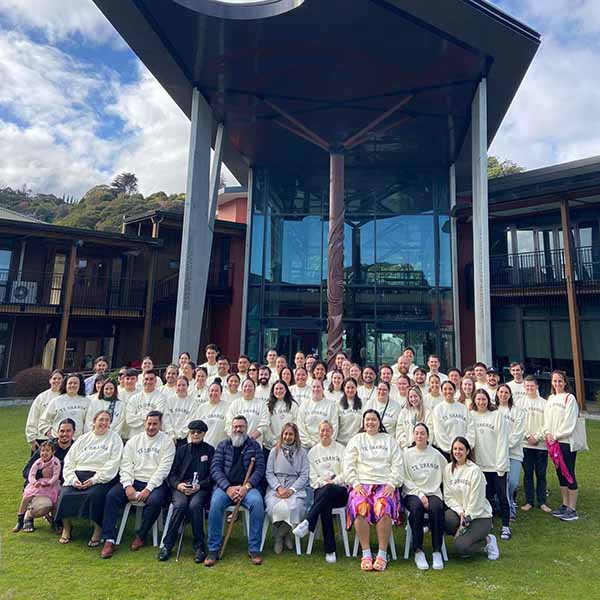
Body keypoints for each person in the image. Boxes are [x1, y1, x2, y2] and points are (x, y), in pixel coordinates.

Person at [100, 411, 175, 558]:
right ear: (145, 423)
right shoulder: (134, 441)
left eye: (155, 424)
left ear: (160, 424)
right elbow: (126, 464)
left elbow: (163, 470)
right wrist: (128, 485)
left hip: (155, 483)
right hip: (133, 481)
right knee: (111, 496)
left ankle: (141, 535)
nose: (151, 427)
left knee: (155, 501)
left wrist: (148, 488)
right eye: (149, 423)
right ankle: (109, 539)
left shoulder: (167, 442)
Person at [344, 409, 403, 572]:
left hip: (384, 484)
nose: (370, 422)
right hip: (361, 484)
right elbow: (348, 465)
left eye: (374, 420)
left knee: (383, 506)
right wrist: (355, 484)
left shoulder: (389, 440)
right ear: (363, 422)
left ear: (379, 422)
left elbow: (397, 465)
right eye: (367, 420)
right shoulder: (356, 440)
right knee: (359, 505)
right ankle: (366, 553)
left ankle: (382, 554)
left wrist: (392, 484)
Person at [205, 416, 266, 566]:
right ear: (231, 428)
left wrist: (247, 487)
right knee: (215, 504)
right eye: (236, 426)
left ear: (246, 428)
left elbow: (259, 469)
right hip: (225, 488)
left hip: (248, 488)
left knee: (257, 504)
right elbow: (215, 469)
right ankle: (213, 549)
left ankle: (254, 549)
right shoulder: (223, 446)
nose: (238, 429)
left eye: (241, 427)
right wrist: (228, 487)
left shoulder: (254, 446)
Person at [56, 410, 123, 545]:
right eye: (101, 420)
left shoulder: (115, 439)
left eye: (107, 420)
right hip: (78, 474)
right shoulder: (83, 439)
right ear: (94, 421)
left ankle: (98, 529)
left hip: (100, 477)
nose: (104, 423)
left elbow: (113, 463)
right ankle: (67, 528)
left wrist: (94, 480)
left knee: (94, 495)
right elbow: (69, 461)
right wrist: (73, 479)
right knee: (64, 494)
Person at [159, 419, 214, 563]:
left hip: (200, 488)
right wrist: (178, 486)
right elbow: (172, 474)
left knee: (195, 506)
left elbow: (212, 476)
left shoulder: (210, 450)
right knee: (180, 505)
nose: (195, 434)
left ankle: (199, 547)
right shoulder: (181, 450)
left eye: (199, 432)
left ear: (204, 433)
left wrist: (200, 486)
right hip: (181, 487)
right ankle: (167, 545)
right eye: (193, 432)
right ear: (189, 433)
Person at [293, 420, 347, 563]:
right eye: (322, 430)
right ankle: (330, 551)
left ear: (332, 431)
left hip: (340, 491)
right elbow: (312, 479)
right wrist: (325, 483)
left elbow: (346, 473)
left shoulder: (341, 449)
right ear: (318, 432)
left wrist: (333, 482)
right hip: (321, 490)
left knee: (326, 493)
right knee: (325, 503)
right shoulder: (312, 452)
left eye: (327, 430)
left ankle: (308, 522)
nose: (325, 433)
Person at [443, 437, 499, 560]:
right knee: (446, 518)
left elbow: (476, 501)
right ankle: (465, 535)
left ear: (467, 451)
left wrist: (465, 520)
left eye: (461, 449)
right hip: (461, 513)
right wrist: (460, 512)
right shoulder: (448, 469)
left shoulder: (475, 471)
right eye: (455, 449)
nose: (458, 452)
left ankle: (488, 540)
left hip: (479, 516)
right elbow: (448, 496)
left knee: (461, 548)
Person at [402, 423, 447, 570]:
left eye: (422, 433)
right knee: (416, 509)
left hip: (433, 492)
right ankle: (418, 550)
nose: (419, 436)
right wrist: (420, 495)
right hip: (413, 493)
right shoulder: (407, 454)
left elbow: (447, 472)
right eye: (417, 433)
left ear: (428, 436)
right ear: (413, 436)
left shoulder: (436, 454)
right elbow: (405, 479)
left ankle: (436, 551)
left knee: (437, 508)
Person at [469, 389, 511, 540]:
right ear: (474, 401)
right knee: (486, 497)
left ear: (488, 400)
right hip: (480, 466)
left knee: (502, 496)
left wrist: (500, 465)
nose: (481, 402)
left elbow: (502, 441)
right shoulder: (471, 416)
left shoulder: (497, 415)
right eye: (478, 399)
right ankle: (489, 523)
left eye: (483, 399)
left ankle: (506, 526)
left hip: (496, 465)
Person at [21, 419, 75, 532]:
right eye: (62, 431)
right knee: (42, 507)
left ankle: (56, 518)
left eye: (68, 431)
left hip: (61, 486)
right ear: (57, 432)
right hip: (41, 488)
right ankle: (29, 514)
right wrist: (41, 473)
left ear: (74, 432)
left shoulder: (76, 448)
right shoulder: (47, 448)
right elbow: (25, 470)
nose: (64, 434)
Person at [265, 423, 309, 554]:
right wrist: (279, 488)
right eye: (285, 434)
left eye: (291, 434)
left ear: (295, 436)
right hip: (276, 487)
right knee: (273, 507)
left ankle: (279, 535)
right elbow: (269, 472)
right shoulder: (274, 451)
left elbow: (304, 474)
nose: (287, 437)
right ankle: (285, 534)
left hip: (295, 487)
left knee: (296, 508)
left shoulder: (302, 452)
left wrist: (292, 490)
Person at [544, 370, 579, 521]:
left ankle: (572, 508)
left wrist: (556, 435)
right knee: (560, 473)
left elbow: (569, 422)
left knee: (568, 472)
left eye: (560, 381)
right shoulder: (551, 398)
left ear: (565, 382)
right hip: (552, 442)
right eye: (554, 381)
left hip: (565, 442)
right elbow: (546, 419)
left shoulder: (569, 398)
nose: (557, 384)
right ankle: (565, 504)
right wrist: (547, 432)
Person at [13, 441, 61, 533]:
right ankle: (20, 520)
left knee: (55, 502)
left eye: (47, 451)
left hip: (51, 485)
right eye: (42, 451)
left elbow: (56, 475)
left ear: (53, 452)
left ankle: (55, 522)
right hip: (38, 483)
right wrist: (34, 482)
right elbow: (31, 474)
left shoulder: (55, 462)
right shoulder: (38, 462)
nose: (44, 453)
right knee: (26, 497)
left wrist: (49, 483)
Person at [519, 375, 550, 513]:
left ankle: (542, 501)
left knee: (541, 474)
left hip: (541, 445)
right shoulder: (519, 403)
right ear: (524, 387)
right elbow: (517, 422)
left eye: (532, 385)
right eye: (527, 386)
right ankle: (529, 501)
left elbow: (548, 423)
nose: (530, 388)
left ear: (537, 386)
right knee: (528, 474)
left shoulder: (544, 403)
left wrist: (537, 436)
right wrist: (527, 436)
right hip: (525, 445)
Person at [496, 384, 525, 521]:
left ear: (510, 394)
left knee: (512, 482)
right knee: (501, 483)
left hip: (514, 452)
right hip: (496, 453)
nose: (503, 394)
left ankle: (507, 504)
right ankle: (509, 509)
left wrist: (505, 445)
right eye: (501, 392)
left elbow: (518, 434)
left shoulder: (517, 411)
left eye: (506, 392)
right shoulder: (493, 410)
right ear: (497, 394)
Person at [432, 381, 475, 461]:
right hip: (446, 453)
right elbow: (439, 433)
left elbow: (470, 429)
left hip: (464, 453)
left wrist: (465, 447)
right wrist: (452, 449)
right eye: (445, 389)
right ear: (441, 391)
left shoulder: (463, 408)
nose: (448, 391)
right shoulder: (438, 409)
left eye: (450, 389)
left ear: (455, 391)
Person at [40, 373, 89, 440]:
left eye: (75, 383)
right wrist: (51, 436)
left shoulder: (86, 401)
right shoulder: (56, 401)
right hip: (58, 441)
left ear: (80, 385)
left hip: (78, 441)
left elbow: (89, 423)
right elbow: (43, 421)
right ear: (65, 385)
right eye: (70, 383)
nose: (72, 385)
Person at [25, 370, 63, 452]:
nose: (56, 381)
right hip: (41, 438)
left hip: (59, 438)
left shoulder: (65, 397)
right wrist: (32, 438)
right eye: (54, 378)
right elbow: (33, 417)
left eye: (59, 379)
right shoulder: (41, 397)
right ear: (50, 380)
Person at [225, 378, 269, 445]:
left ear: (254, 389)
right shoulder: (235, 404)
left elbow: (264, 425)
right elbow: (228, 424)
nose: (247, 388)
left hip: (255, 444)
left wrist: (250, 439)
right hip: (236, 444)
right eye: (245, 386)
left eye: (250, 386)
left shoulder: (262, 404)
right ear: (242, 389)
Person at [297, 378, 339, 449]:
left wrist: (325, 443)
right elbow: (300, 427)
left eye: (318, 387)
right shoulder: (304, 405)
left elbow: (334, 427)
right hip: (307, 446)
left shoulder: (331, 406)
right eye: (314, 387)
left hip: (326, 446)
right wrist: (311, 443)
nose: (316, 389)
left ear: (323, 389)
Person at [125, 370, 166, 438]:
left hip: (154, 437)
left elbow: (157, 417)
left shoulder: (161, 398)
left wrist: (139, 415)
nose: (148, 382)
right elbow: (129, 419)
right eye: (146, 379)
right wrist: (148, 415)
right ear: (142, 381)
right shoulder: (134, 398)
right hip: (135, 437)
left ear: (155, 381)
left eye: (151, 379)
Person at [264, 381, 299, 452]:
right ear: (273, 391)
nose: (279, 391)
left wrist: (289, 440)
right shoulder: (267, 406)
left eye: (281, 388)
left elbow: (296, 424)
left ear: (286, 390)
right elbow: (266, 426)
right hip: (272, 446)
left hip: (290, 444)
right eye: (276, 389)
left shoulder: (293, 405)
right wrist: (275, 442)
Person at [396, 386, 433, 451]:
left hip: (423, 448)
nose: (413, 399)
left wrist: (424, 445)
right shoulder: (404, 412)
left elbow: (430, 430)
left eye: (415, 396)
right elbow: (400, 431)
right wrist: (405, 445)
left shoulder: (427, 412)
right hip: (407, 449)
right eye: (411, 397)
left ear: (420, 397)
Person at [195, 380, 230, 448]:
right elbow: (197, 428)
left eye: (216, 391)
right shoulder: (201, 408)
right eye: (212, 390)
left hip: (222, 447)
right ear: (208, 392)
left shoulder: (227, 406)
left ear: (221, 393)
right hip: (204, 447)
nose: (214, 393)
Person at [164, 376, 198, 447]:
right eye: (179, 385)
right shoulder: (170, 401)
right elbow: (166, 418)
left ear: (188, 386)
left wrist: (182, 434)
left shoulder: (193, 402)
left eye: (183, 385)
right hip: (170, 438)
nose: (181, 388)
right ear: (175, 386)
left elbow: (192, 419)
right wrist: (171, 434)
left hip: (185, 438)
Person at [337, 378, 362, 446]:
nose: (350, 390)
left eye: (352, 387)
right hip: (341, 442)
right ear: (344, 388)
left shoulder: (363, 404)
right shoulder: (337, 404)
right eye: (348, 387)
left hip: (357, 443)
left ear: (356, 388)